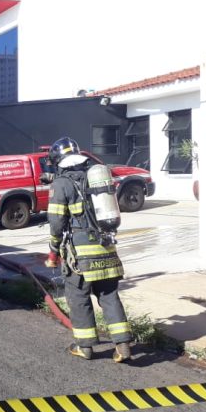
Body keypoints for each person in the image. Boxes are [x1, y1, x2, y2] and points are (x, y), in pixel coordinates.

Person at [45, 136, 133, 363]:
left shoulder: (61, 184)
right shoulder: (96, 178)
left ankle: (84, 347)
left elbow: (56, 223)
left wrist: (53, 250)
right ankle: (122, 346)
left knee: (78, 297)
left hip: (80, 255)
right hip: (107, 248)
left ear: (58, 161)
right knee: (109, 296)